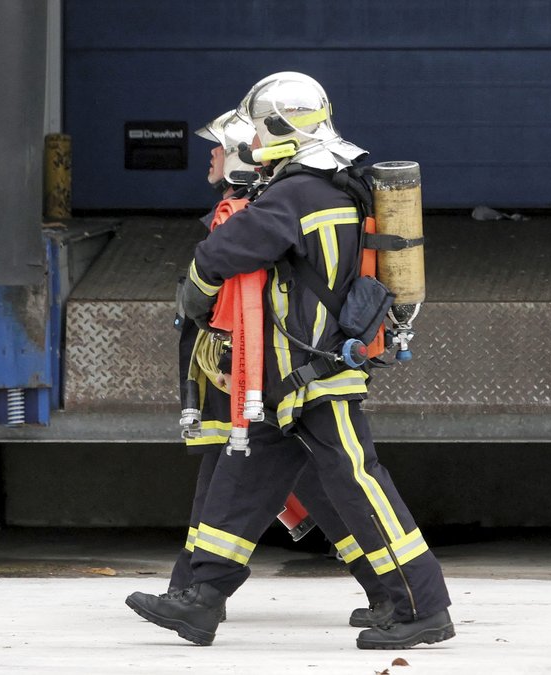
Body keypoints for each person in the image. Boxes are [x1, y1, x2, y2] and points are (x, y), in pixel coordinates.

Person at [128, 73, 454, 650]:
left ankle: (420, 606)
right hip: (287, 378)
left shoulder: (297, 191)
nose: (250, 142)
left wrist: (197, 294)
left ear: (278, 128)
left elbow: (223, 251)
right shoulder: (334, 183)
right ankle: (200, 600)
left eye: (257, 129)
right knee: (241, 478)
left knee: (358, 481)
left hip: (314, 374)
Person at [157, 109, 393, 627]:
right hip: (270, 375)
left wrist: (224, 358)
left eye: (220, 146)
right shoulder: (260, 204)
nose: (212, 155)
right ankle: (196, 593)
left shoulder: (251, 211)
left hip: (264, 374)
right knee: (270, 479)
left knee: (293, 482)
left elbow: (233, 297)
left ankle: (195, 592)